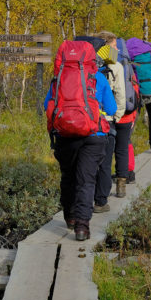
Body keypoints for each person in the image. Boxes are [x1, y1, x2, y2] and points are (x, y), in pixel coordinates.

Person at [45, 42, 117, 241]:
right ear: (91, 60)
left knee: (68, 177)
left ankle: (69, 217)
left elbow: (47, 105)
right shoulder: (98, 78)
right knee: (86, 181)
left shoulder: (58, 79)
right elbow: (111, 109)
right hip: (93, 137)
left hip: (64, 135)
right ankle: (82, 227)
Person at [93, 32, 125, 212]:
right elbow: (120, 93)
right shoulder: (116, 66)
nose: (117, 49)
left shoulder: (84, 65)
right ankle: (100, 201)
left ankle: (85, 200)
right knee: (105, 162)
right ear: (106, 47)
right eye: (114, 46)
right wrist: (117, 116)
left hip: (85, 119)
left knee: (88, 163)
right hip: (106, 120)